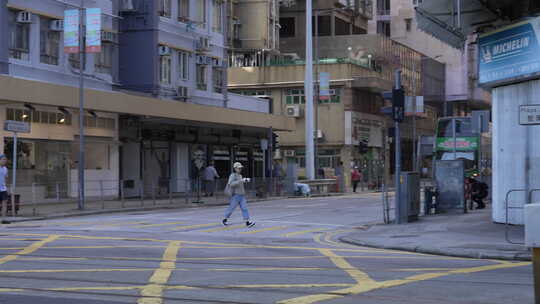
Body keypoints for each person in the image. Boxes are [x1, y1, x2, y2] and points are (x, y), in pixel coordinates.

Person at [222, 162, 255, 227]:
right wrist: (240, 181)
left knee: (244, 208)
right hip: (236, 195)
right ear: (235, 168)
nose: (240, 169)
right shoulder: (232, 175)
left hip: (242, 195)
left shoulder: (240, 176)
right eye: (239, 168)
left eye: (240, 168)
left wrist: (245, 181)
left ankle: (247, 222)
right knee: (231, 208)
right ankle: (225, 219)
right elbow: (230, 184)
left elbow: (240, 184)